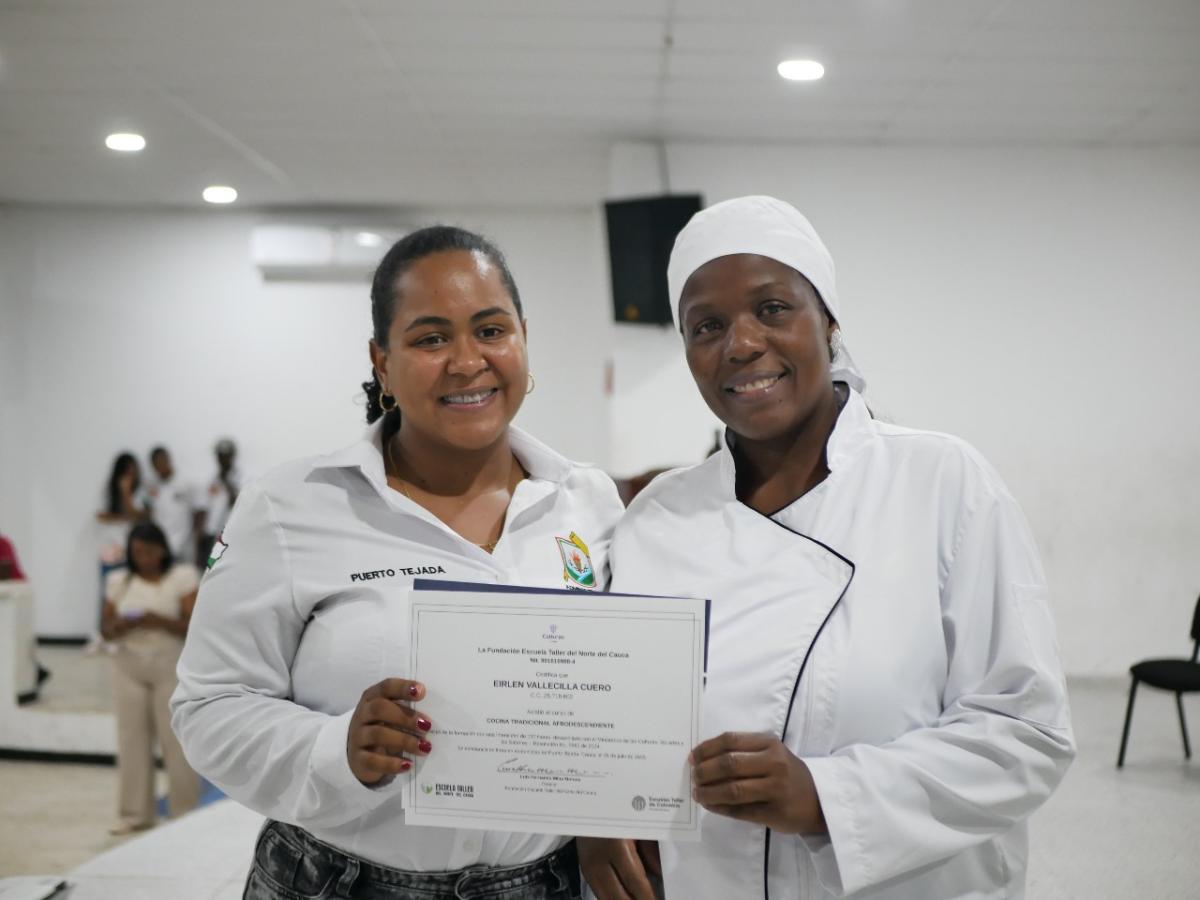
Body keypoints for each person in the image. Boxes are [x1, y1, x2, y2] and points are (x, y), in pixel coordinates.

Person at [579, 196, 1075, 899]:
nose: (741, 344)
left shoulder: (941, 482)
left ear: (830, 322)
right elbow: (614, 713)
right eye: (706, 326)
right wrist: (599, 815)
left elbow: (1027, 732)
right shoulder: (658, 518)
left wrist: (824, 794)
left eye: (773, 308)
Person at [172, 225, 625, 900]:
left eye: (491, 330)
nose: (468, 361)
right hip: (340, 882)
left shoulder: (587, 502)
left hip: (545, 885)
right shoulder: (291, 507)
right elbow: (209, 708)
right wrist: (337, 748)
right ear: (381, 361)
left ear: (524, 339)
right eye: (431, 338)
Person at [100, 520, 201, 835]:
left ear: (162, 550)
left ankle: (185, 813)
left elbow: (192, 625)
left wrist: (157, 620)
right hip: (128, 663)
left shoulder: (181, 578)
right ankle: (134, 813)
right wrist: (119, 626)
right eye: (136, 552)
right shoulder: (119, 581)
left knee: (175, 741)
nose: (142, 557)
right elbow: (105, 627)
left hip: (168, 663)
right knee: (132, 739)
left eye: (148, 551)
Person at [145, 446, 202, 564]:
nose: (160, 466)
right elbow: (147, 511)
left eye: (162, 461)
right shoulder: (151, 487)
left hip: (184, 545)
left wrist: (197, 540)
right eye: (156, 463)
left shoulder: (185, 482)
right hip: (160, 546)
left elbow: (198, 512)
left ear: (168, 459)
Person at [196, 437, 240, 566]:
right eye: (221, 456)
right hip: (212, 536)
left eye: (226, 456)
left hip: (232, 535)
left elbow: (238, 502)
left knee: (231, 568)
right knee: (212, 567)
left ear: (232, 456)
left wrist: (226, 481)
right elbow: (202, 509)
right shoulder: (210, 480)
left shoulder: (241, 477)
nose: (223, 460)